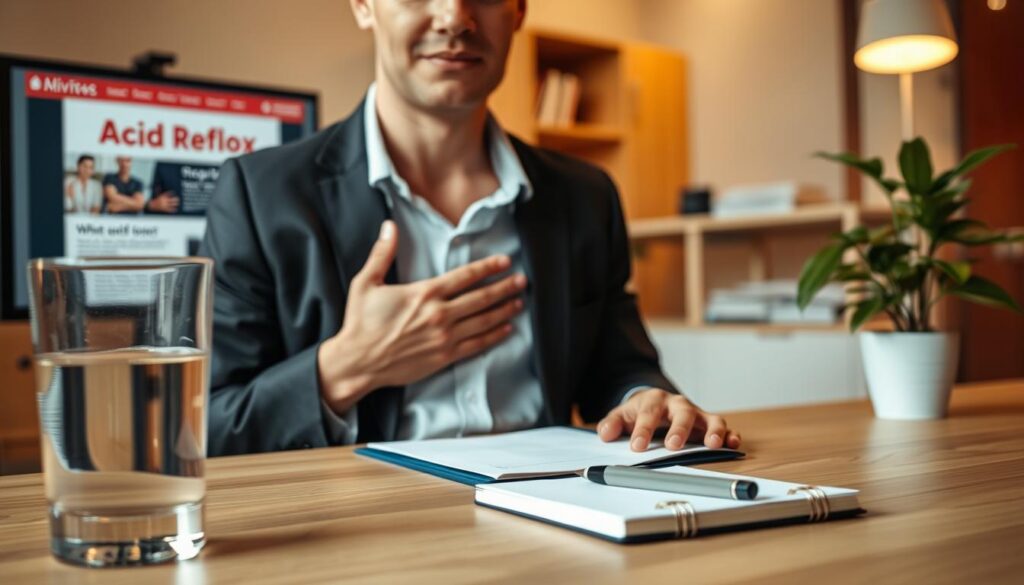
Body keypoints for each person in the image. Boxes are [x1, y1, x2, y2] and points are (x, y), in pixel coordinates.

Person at [201, 0, 741, 456]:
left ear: (519, 10)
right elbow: (207, 429)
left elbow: (620, 370)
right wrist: (344, 367)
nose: (455, 16)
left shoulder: (585, 195)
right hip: (356, 537)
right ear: (363, 5)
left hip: (556, 520)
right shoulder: (260, 194)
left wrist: (647, 399)